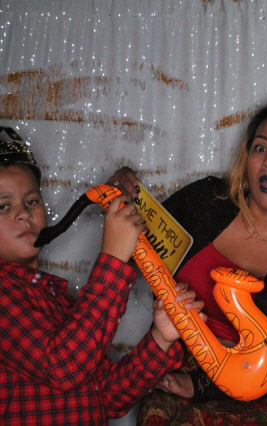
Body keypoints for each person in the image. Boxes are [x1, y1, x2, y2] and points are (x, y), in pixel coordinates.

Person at [130, 101, 267, 425]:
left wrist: (201, 385)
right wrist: (127, 199)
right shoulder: (205, 202)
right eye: (260, 148)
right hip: (173, 371)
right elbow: (132, 254)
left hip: (259, 396)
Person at [0, 138, 205, 424]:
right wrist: (113, 258)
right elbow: (63, 368)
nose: (23, 213)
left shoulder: (53, 297)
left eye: (31, 201)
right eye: (3, 206)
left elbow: (107, 396)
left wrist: (161, 338)